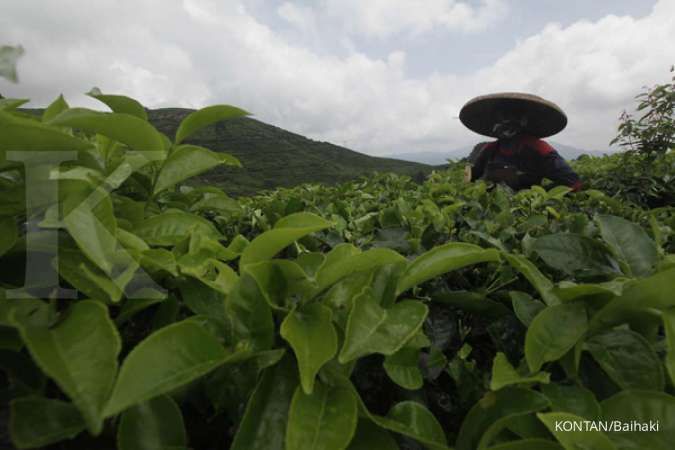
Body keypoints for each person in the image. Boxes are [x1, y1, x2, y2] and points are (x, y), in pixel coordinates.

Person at [459, 92, 581, 191]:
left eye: (510, 116)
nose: (504, 122)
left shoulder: (538, 148)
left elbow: (573, 182)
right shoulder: (489, 149)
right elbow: (471, 178)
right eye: (500, 117)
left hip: (527, 211)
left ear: (523, 121)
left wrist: (536, 196)